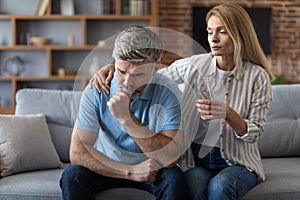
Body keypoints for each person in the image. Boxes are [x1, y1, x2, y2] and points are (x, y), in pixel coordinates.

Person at [89, 3, 276, 200]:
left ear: (239, 34)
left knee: (219, 188)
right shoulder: (196, 66)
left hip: (238, 161)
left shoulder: (257, 77)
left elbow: (254, 133)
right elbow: (152, 69)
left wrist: (228, 114)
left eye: (222, 32)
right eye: (210, 31)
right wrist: (114, 66)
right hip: (200, 161)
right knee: (192, 186)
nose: (213, 38)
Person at [60, 25, 190, 200]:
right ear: (114, 62)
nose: (127, 82)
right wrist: (130, 172)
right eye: (121, 71)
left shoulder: (168, 91)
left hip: (152, 169)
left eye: (138, 75)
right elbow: (77, 152)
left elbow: (170, 157)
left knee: (173, 177)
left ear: (154, 70)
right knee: (72, 175)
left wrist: (126, 118)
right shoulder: (98, 88)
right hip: (108, 166)